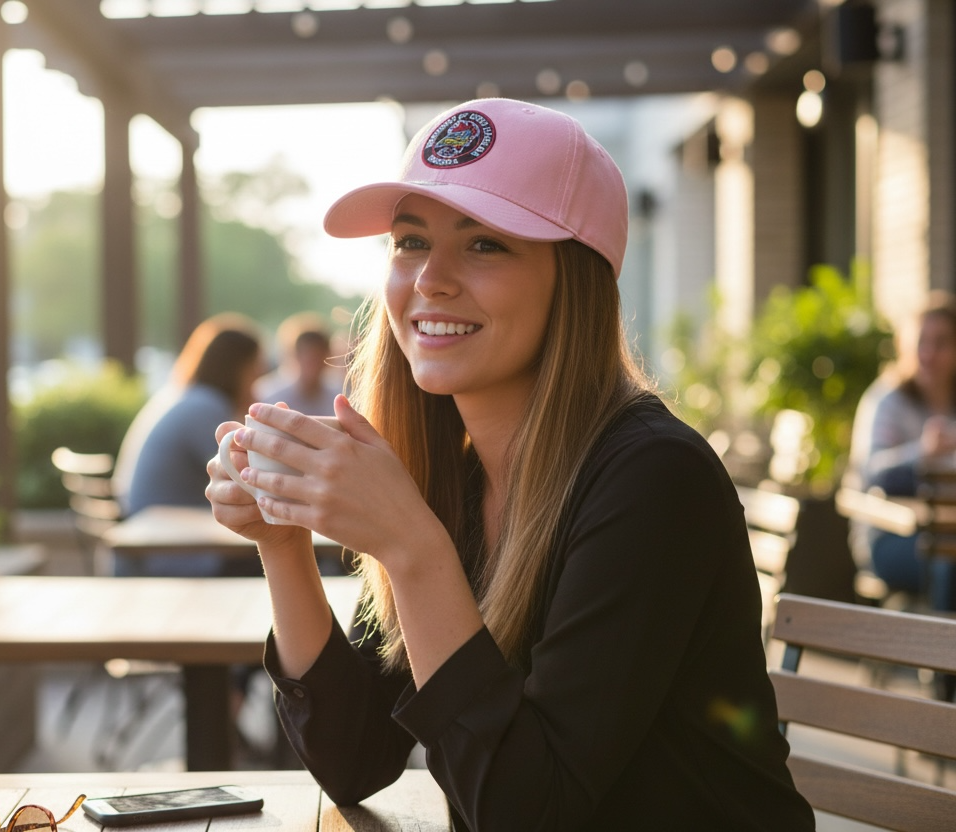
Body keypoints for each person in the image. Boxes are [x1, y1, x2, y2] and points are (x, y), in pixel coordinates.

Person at [206, 98, 814, 830]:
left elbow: (531, 814)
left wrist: (412, 546)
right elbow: (355, 759)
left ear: (575, 280)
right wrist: (282, 541)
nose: (430, 278)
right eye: (409, 241)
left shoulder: (653, 479)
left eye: (485, 244)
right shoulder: (454, 473)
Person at [112, 312, 264, 577]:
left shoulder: (187, 398)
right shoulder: (205, 408)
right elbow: (249, 477)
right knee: (274, 562)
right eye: (255, 369)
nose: (258, 382)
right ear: (238, 369)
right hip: (168, 551)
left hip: (159, 535)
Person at [846, 291, 956, 613]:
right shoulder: (886, 400)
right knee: (947, 566)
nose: (929, 353)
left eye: (942, 343)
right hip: (889, 536)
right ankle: (942, 663)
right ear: (904, 346)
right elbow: (872, 472)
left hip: (948, 532)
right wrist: (922, 453)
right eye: (921, 342)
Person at [256, 311, 343, 416]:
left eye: (318, 357)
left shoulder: (339, 397)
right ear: (295, 356)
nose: (313, 365)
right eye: (309, 358)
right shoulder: (267, 394)